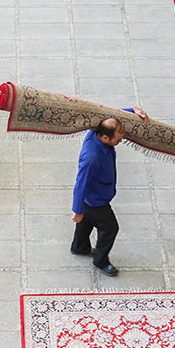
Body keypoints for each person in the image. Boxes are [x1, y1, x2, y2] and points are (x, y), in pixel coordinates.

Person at [70, 107, 149, 276]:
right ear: (105, 137)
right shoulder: (92, 158)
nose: (120, 142)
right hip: (96, 200)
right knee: (110, 228)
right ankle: (101, 260)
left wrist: (132, 110)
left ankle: (80, 247)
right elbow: (80, 184)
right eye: (117, 139)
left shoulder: (95, 132)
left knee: (87, 221)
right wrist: (77, 210)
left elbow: (109, 114)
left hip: (94, 195)